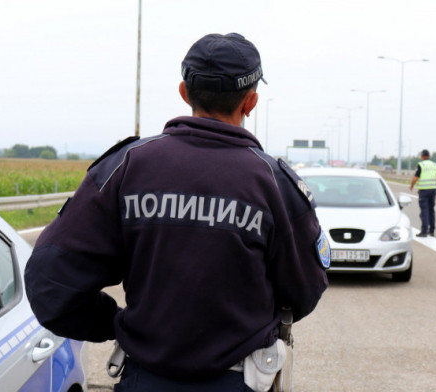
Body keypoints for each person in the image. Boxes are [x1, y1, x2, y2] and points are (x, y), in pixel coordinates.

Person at [24, 33, 329, 391]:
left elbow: (51, 283)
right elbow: (306, 290)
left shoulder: (125, 167)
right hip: (239, 381)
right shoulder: (274, 182)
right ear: (250, 101)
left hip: (144, 379)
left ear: (184, 92)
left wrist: (117, 323)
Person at [409, 149, 436, 237]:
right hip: (433, 190)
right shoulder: (435, 165)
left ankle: (424, 231)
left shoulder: (421, 165)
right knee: (431, 210)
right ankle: (431, 230)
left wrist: (412, 185)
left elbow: (416, 178)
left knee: (424, 210)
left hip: (424, 190)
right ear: (429, 156)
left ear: (422, 156)